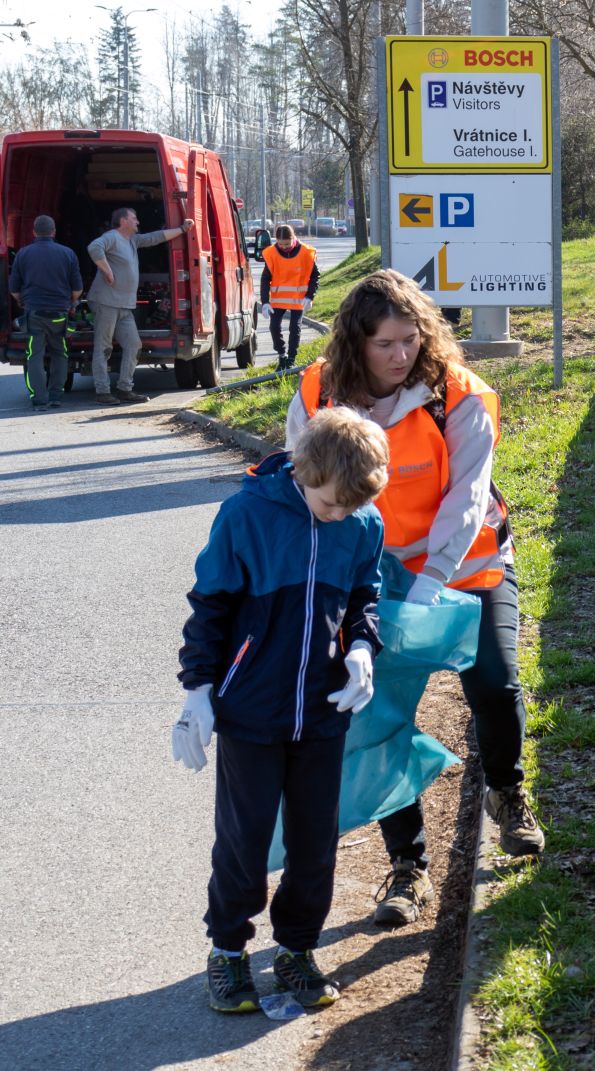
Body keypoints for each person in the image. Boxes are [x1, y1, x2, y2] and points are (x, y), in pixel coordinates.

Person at [284, 269, 542, 929]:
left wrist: (431, 584)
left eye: (410, 339)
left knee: (494, 680)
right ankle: (409, 866)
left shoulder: (460, 394)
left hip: (469, 566)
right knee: (377, 710)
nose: (400, 355)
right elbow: (304, 487)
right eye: (385, 344)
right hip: (374, 573)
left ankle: (507, 792)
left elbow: (467, 498)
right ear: (355, 344)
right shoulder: (318, 391)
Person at [172, 406, 389, 1013]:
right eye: (330, 505)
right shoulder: (246, 514)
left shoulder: (361, 522)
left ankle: (297, 950)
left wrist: (364, 649)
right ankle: (228, 952)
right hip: (251, 714)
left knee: (315, 840)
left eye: (352, 508)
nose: (340, 515)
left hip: (322, 711)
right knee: (243, 839)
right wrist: (198, 692)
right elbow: (210, 605)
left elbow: (364, 596)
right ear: (303, 471)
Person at [86, 207, 193, 405]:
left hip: (125, 305)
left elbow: (156, 237)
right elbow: (94, 248)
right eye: (134, 218)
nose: (138, 221)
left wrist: (181, 229)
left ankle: (125, 388)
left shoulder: (133, 240)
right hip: (106, 302)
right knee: (103, 348)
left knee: (134, 345)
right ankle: (102, 392)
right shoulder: (112, 237)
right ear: (123, 221)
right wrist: (108, 271)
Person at [7, 214, 82, 410]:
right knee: (60, 353)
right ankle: (56, 395)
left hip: (35, 314)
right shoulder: (68, 253)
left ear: (34, 232)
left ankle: (39, 399)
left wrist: (21, 301)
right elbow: (77, 289)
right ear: (54, 231)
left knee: (34, 355)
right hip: (59, 314)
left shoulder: (23, 254)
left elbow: (14, 288)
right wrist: (72, 303)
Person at [260, 223, 320, 371]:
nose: (284, 247)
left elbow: (314, 276)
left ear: (293, 238)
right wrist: (265, 302)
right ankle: (282, 356)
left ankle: (291, 359)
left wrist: (309, 296)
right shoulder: (272, 253)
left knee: (295, 328)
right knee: (274, 327)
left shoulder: (306, 252)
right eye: (280, 244)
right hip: (278, 299)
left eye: (287, 244)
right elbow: (265, 279)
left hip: (299, 298)